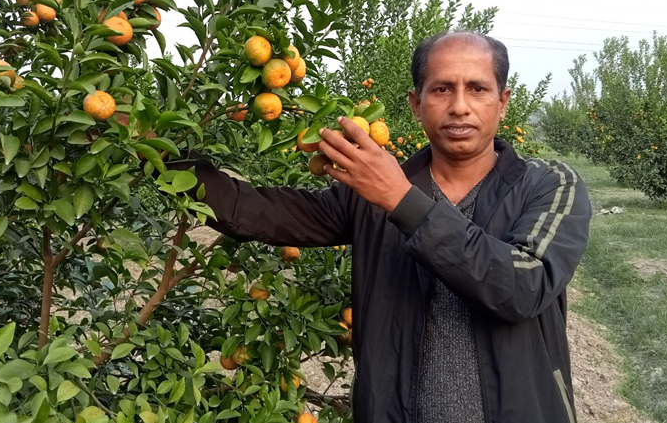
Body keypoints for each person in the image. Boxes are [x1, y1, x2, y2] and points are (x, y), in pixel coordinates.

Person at [179, 31, 592, 423]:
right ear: (416, 103)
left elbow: (523, 287)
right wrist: (159, 151)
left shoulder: (547, 183)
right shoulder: (370, 192)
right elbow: (253, 211)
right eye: (442, 88)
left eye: (478, 89)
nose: (460, 106)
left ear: (502, 102)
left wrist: (401, 200)